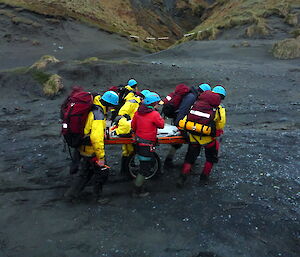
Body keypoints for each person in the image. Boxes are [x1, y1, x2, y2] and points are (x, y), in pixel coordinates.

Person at [64, 90, 119, 203]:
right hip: (91, 150)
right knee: (102, 172)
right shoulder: (98, 116)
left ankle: (71, 195)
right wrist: (101, 157)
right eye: (112, 107)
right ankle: (97, 197)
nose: (112, 110)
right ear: (108, 105)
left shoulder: (94, 106)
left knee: (85, 173)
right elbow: (97, 139)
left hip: (83, 147)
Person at [176, 85, 226, 187]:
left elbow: (187, 118)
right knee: (210, 157)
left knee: (190, 157)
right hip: (208, 138)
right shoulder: (218, 109)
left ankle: (182, 178)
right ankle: (204, 178)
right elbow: (221, 124)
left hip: (193, 136)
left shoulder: (197, 103)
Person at [164, 83, 212, 169]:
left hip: (179, 120)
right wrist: (180, 126)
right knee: (189, 141)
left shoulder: (191, 95)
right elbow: (183, 111)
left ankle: (170, 160)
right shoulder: (191, 98)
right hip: (180, 122)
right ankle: (184, 163)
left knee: (178, 143)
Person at [131, 92, 165, 197]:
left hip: (138, 143)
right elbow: (161, 125)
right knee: (144, 168)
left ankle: (138, 185)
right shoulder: (154, 114)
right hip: (147, 145)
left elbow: (133, 125)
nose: (158, 105)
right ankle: (137, 191)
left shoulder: (138, 112)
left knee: (143, 164)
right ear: (153, 103)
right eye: (157, 103)